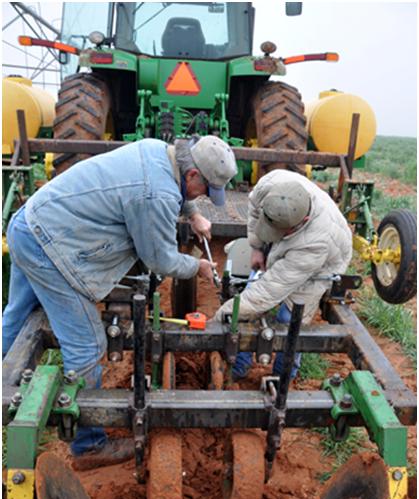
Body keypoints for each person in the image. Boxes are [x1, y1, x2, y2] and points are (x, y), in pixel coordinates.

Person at [3, 135, 237, 467]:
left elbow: (175, 188)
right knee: (87, 345)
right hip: (49, 247)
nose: (203, 196)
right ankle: (88, 447)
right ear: (192, 175)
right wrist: (196, 266)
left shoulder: (159, 150)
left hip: (29, 223)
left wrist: (193, 213)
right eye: (205, 190)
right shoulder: (155, 195)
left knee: (17, 317)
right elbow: (159, 260)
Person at [213, 169, 353, 380]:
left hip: (321, 265)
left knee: (289, 320)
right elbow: (254, 211)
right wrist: (257, 247)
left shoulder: (315, 244)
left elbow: (266, 294)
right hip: (295, 243)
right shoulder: (270, 185)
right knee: (248, 300)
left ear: (303, 220)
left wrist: (221, 316)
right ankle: (238, 368)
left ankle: (283, 378)